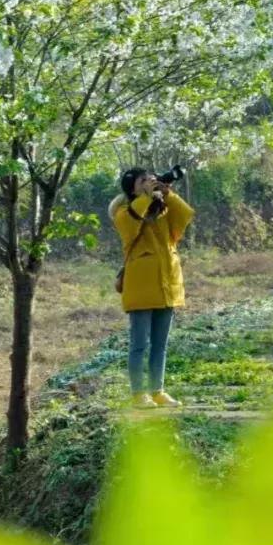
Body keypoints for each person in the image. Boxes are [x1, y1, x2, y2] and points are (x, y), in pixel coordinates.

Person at [109, 167, 195, 409]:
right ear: (132, 188)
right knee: (139, 344)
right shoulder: (123, 213)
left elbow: (185, 216)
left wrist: (167, 193)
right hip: (141, 286)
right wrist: (146, 197)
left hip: (167, 283)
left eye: (150, 178)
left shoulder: (161, 208)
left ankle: (157, 391)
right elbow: (130, 227)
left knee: (160, 344)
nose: (149, 182)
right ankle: (139, 394)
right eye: (142, 181)